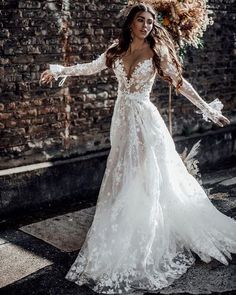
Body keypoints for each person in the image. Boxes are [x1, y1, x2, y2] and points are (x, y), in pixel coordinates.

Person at [40, 3, 235, 294]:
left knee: (145, 176)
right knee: (124, 172)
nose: (146, 25)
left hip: (145, 121)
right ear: (131, 22)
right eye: (140, 20)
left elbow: (179, 83)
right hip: (121, 120)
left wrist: (208, 110)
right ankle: (127, 231)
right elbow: (90, 68)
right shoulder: (115, 50)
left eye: (150, 21)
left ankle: (145, 238)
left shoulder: (157, 52)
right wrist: (58, 71)